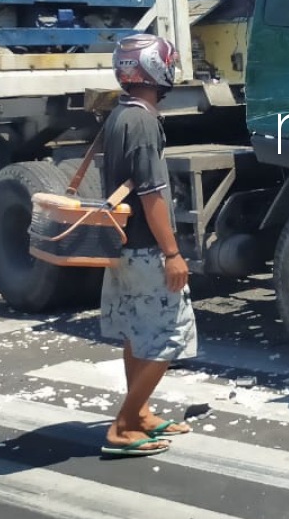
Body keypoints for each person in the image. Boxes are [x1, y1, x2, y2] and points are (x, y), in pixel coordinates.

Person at [98, 33, 199, 457]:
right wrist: (172, 254)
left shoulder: (120, 114)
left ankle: (139, 413)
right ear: (157, 68)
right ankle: (124, 425)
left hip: (123, 247)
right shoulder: (143, 122)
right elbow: (151, 194)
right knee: (170, 333)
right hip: (145, 249)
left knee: (137, 331)